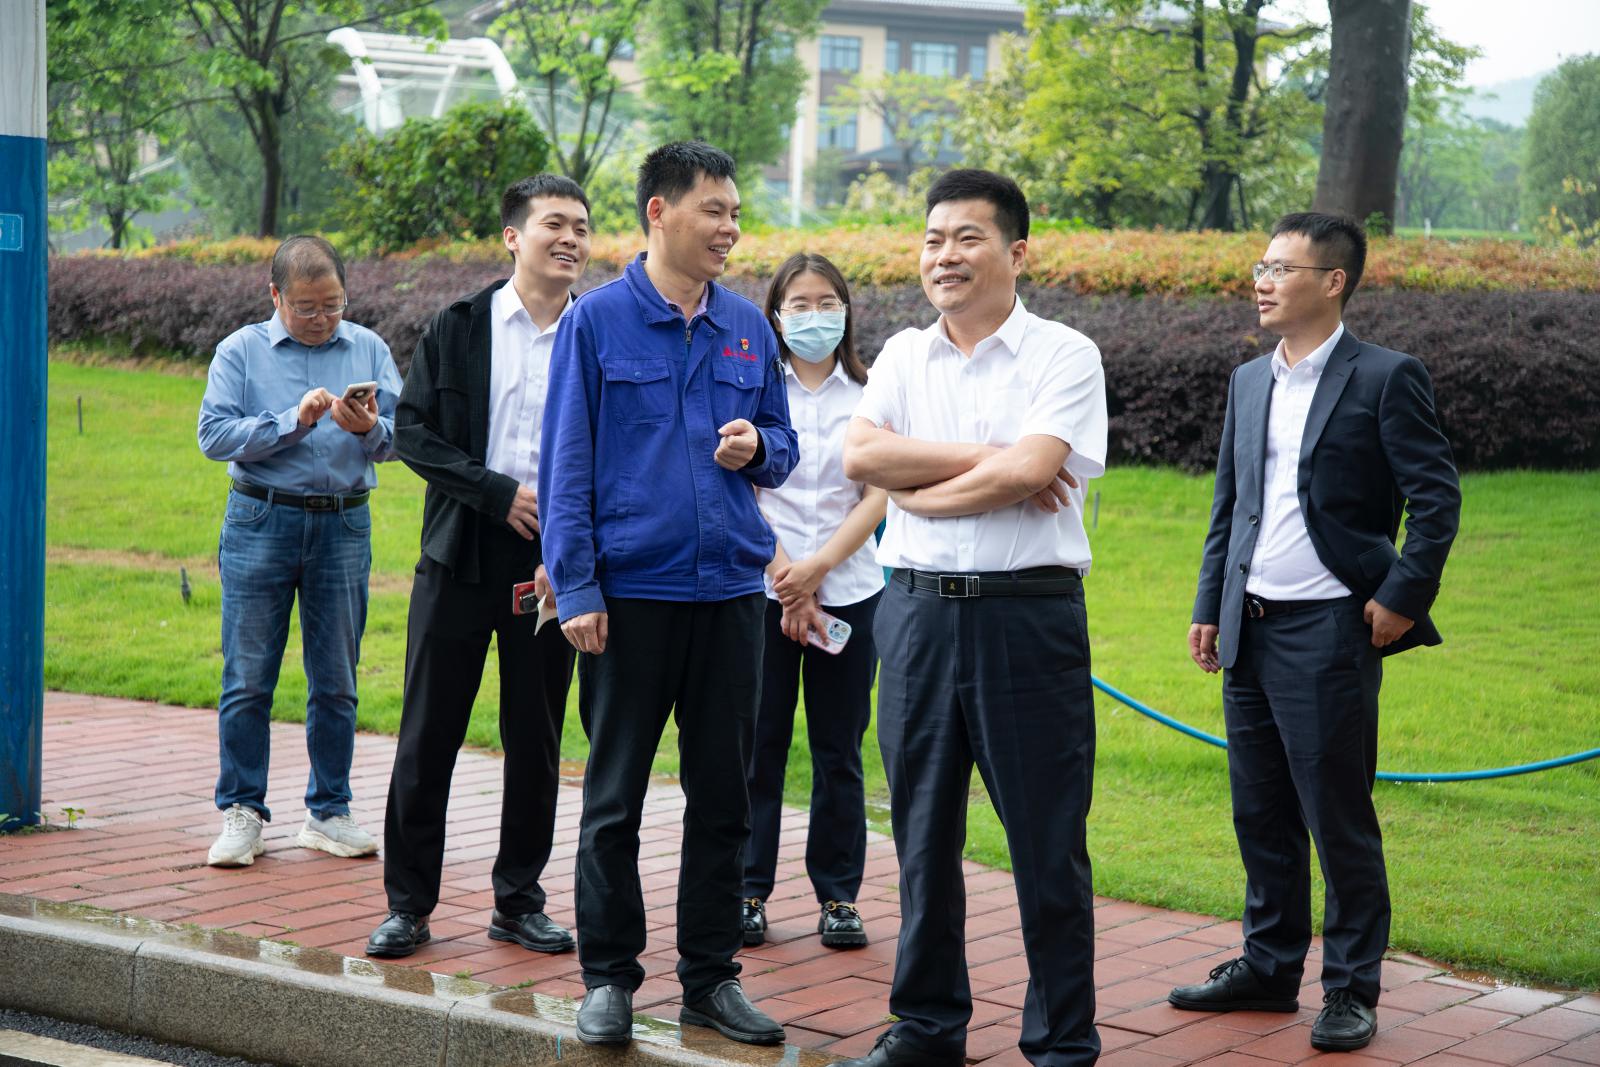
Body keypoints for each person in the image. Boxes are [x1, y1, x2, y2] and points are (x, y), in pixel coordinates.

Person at [1169, 212, 1460, 1053]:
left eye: (1281, 269)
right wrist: (1210, 604)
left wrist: (1401, 594)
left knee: (1337, 819)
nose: (1262, 281)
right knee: (1260, 812)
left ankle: (1351, 988)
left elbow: (1436, 498)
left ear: (1333, 281)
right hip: (1250, 626)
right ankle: (1269, 967)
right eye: (1260, 266)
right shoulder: (1249, 380)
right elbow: (1231, 503)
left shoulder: (1386, 376)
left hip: (1331, 629)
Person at [838, 169, 1107, 1067]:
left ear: (1016, 252)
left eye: (966, 237)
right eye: (932, 239)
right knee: (920, 837)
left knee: (1048, 843)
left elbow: (1030, 473)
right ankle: (926, 1027)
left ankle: (1062, 1042)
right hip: (914, 619)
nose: (943, 256)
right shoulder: (904, 355)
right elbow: (861, 455)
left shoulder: (1063, 354)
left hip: (1025, 622)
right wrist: (985, 459)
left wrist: (919, 488)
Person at [538, 141, 798, 1047]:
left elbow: (783, 443)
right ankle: (609, 978)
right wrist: (578, 585)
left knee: (724, 798)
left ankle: (711, 979)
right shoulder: (596, 322)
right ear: (660, 211)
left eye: (736, 213)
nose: (731, 228)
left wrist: (757, 447)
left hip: (729, 596)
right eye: (714, 210)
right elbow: (565, 463)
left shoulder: (747, 326)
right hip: (630, 599)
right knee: (614, 798)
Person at [363, 175, 591, 959]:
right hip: (458, 553)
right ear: (513, 236)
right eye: (555, 224)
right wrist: (498, 494)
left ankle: (518, 900)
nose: (571, 238)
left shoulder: (594, 333)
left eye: (581, 227)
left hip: (550, 565)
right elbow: (413, 431)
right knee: (429, 733)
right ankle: (408, 905)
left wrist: (567, 545)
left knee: (536, 738)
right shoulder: (460, 324)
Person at [197, 235, 402, 868]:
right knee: (247, 675)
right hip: (261, 517)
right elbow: (213, 436)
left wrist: (370, 429)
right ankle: (242, 809)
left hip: (343, 523)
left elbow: (403, 439)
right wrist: (295, 420)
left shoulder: (368, 347)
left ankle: (329, 810)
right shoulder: (241, 351)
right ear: (275, 295)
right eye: (307, 307)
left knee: (337, 679)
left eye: (333, 305)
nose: (321, 319)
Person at [741, 253, 887, 951]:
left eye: (827, 302)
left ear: (846, 311)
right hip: (762, 591)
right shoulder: (754, 389)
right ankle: (747, 890)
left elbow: (880, 493)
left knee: (839, 749)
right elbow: (740, 488)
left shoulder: (873, 392)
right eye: (798, 304)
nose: (814, 315)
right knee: (757, 744)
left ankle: (838, 896)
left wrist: (819, 568)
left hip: (850, 590)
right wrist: (786, 578)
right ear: (776, 316)